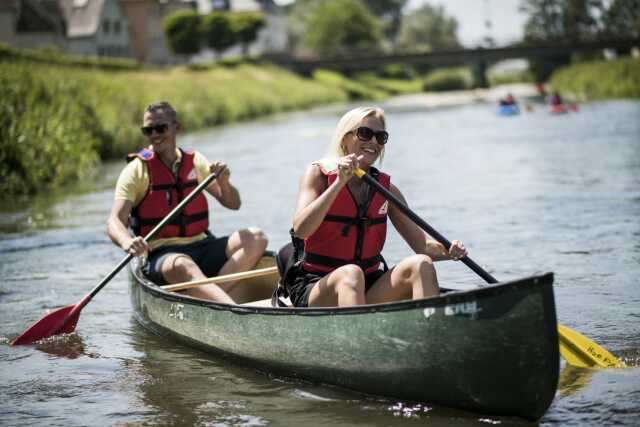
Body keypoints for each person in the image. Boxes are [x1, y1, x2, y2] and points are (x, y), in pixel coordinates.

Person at [284, 106, 467, 308]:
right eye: (365, 134)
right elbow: (301, 229)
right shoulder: (318, 176)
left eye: (380, 137)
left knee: (421, 263)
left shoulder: (386, 190)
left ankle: (430, 329)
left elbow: (423, 246)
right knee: (351, 273)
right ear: (345, 139)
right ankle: (361, 338)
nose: (373, 142)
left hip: (367, 284)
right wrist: (338, 184)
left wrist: (449, 251)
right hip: (316, 285)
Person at [107, 101, 268, 304]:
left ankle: (203, 296)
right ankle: (233, 311)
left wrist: (224, 183)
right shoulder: (136, 171)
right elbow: (114, 221)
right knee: (184, 265)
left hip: (201, 244)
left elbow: (233, 203)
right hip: (161, 254)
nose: (154, 134)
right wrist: (126, 241)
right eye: (148, 130)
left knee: (256, 237)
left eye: (160, 128)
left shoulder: (194, 161)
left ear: (177, 127)